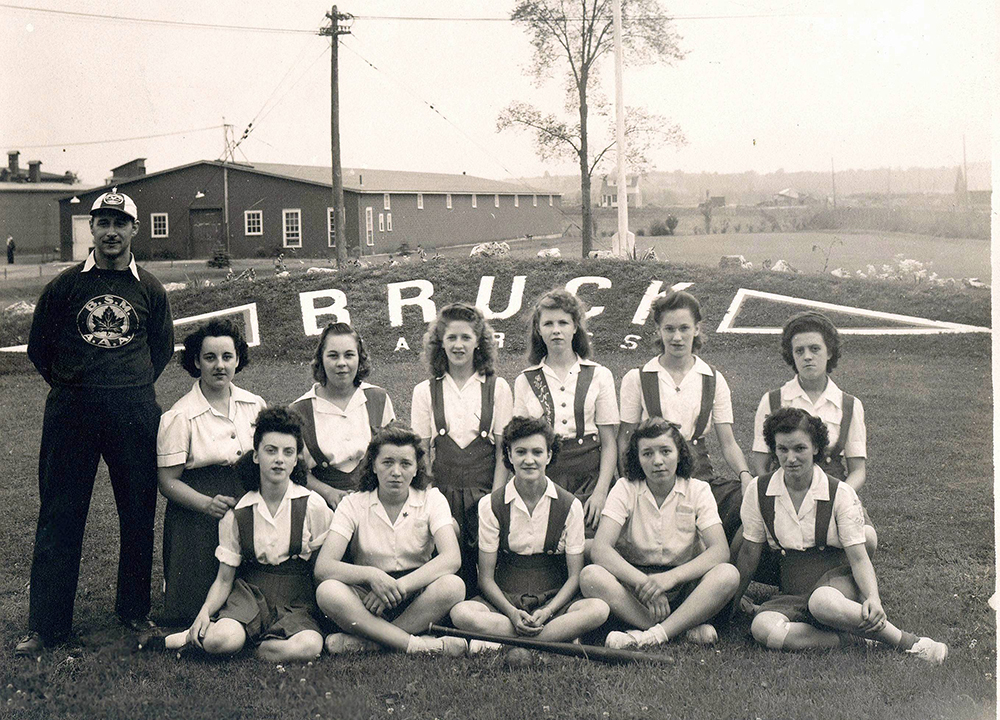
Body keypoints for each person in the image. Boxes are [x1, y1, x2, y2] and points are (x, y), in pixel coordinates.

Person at [17, 191, 174, 657]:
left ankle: (134, 612)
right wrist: (76, 384)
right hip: (72, 412)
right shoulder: (65, 286)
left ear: (134, 230)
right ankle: (47, 625)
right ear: (91, 229)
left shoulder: (149, 288)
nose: (111, 231)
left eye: (120, 223)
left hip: (133, 412)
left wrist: (125, 385)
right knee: (60, 515)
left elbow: (160, 351)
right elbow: (39, 349)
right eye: (102, 222)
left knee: (137, 515)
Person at [732, 407, 948, 664]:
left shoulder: (840, 492)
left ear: (815, 448)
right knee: (764, 629)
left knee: (822, 603)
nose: (790, 458)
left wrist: (872, 598)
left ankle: (909, 643)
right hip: (792, 588)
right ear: (774, 449)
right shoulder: (759, 490)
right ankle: (851, 639)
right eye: (782, 449)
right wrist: (732, 604)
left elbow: (858, 558)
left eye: (799, 448)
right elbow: (749, 552)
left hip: (836, 580)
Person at [146, 407, 333, 662]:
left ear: (295, 459)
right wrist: (204, 612)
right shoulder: (239, 513)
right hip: (251, 595)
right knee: (220, 640)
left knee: (309, 646)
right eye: (271, 450)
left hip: (297, 598)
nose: (279, 459)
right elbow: (224, 579)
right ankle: (196, 636)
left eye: (287, 452)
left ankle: (261, 649)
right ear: (256, 456)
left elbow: (322, 568)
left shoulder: (313, 505)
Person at [580, 418, 739, 648]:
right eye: (647, 454)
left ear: (680, 453)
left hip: (684, 584)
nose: (657, 461)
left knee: (728, 574)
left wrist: (669, 579)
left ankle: (651, 634)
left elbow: (720, 551)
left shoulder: (698, 489)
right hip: (636, 587)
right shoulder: (625, 488)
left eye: (666, 451)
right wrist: (645, 584)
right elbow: (601, 548)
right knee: (590, 576)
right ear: (637, 458)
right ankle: (672, 628)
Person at [450, 417, 610, 645]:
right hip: (505, 599)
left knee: (598, 609)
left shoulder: (570, 505)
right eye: (521, 452)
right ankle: (551, 638)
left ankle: (513, 638)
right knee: (461, 613)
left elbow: (575, 577)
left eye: (537, 452)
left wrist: (549, 612)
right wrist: (512, 613)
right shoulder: (490, 505)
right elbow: (485, 579)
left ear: (549, 455)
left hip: (554, 599)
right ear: (509, 455)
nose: (529, 460)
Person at [314, 423, 469, 656]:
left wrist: (402, 587)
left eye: (405, 463)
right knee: (328, 591)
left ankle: (372, 642)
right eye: (387, 462)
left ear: (417, 468)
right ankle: (415, 644)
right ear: (374, 465)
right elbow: (324, 567)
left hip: (416, 595)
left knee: (453, 586)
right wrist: (372, 576)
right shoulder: (353, 503)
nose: (396, 472)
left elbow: (451, 558)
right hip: (369, 600)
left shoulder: (432, 499)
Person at [618, 290, 751, 543]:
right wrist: (630, 483)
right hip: (654, 476)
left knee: (748, 502)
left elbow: (728, 442)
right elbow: (624, 439)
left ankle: (726, 570)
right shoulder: (638, 378)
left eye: (684, 328)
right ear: (658, 331)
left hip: (700, 475)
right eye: (669, 329)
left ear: (697, 329)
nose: (677, 337)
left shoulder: (712, 378)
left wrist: (745, 475)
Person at [156, 318, 265, 624]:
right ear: (195, 361)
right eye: (210, 357)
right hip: (196, 513)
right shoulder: (180, 415)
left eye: (227, 357)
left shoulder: (254, 405)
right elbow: (167, 482)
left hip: (247, 500)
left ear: (238, 359)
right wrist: (207, 504)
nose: (220, 365)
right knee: (195, 607)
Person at [749, 311, 876, 555]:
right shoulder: (773, 399)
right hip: (786, 495)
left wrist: (838, 500)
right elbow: (760, 463)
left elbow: (858, 470)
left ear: (829, 352)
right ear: (791, 356)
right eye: (799, 351)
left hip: (835, 494)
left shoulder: (849, 404)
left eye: (815, 349)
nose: (807, 357)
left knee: (868, 539)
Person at [411, 302, 513, 592]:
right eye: (451, 338)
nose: (458, 345)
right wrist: (431, 497)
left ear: (478, 342)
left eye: (466, 337)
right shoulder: (426, 390)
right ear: (440, 343)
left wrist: (494, 500)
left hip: (485, 491)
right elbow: (422, 454)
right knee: (450, 562)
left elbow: (502, 453)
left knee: (489, 558)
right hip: (443, 492)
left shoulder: (497, 387)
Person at [512, 289, 619, 536]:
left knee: (592, 545)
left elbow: (609, 443)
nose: (556, 330)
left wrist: (601, 492)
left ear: (575, 327)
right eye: (548, 323)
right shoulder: (526, 380)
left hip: (591, 479)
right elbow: (521, 441)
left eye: (563, 322)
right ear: (538, 330)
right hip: (547, 479)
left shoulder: (599, 375)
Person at [290, 322, 395, 509]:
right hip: (324, 506)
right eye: (333, 356)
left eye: (349, 355)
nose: (341, 363)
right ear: (321, 360)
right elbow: (296, 470)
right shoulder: (300, 409)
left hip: (376, 502)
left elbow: (394, 454)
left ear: (359, 359)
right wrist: (328, 492)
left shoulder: (378, 398)